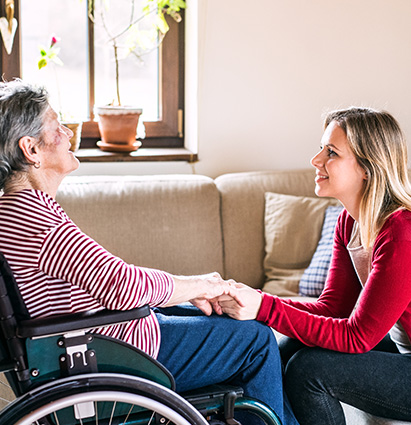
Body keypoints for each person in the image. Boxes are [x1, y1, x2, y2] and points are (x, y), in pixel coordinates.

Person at [0, 79, 298, 425]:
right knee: (255, 339)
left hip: (102, 339)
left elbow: (111, 278)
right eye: (57, 127)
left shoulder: (21, 209)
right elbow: (126, 285)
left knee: (232, 319)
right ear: (31, 150)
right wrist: (203, 285)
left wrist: (190, 292)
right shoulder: (36, 222)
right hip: (110, 353)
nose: (69, 134)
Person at [219, 106, 411, 424]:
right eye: (321, 148)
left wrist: (264, 307)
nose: (316, 160)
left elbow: (358, 336)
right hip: (402, 351)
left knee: (309, 370)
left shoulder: (401, 232)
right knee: (288, 347)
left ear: (367, 168)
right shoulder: (349, 222)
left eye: (331, 152)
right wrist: (253, 299)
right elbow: (333, 308)